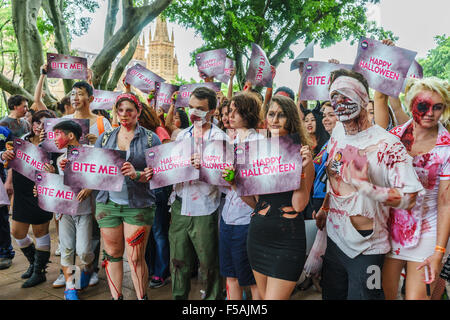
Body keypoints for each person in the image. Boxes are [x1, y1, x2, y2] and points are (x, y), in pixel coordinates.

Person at [314, 69, 424, 300]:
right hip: (335, 241)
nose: (339, 102)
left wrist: (367, 187)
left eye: (346, 95)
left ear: (364, 98)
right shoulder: (337, 133)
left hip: (367, 249)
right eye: (334, 96)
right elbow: (335, 177)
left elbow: (410, 198)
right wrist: (325, 208)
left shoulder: (388, 145)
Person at [382, 77, 449, 300]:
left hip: (428, 231)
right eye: (423, 106)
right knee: (385, 295)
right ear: (411, 104)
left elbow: (446, 202)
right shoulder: (394, 138)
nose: (430, 112)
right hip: (390, 228)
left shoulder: (447, 147)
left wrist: (439, 251)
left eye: (437, 107)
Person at [242, 95, 315, 300]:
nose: (274, 120)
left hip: (287, 241)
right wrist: (235, 183)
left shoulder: (302, 153)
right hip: (258, 237)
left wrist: (303, 168)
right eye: (271, 114)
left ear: (290, 119)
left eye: (281, 115)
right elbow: (255, 203)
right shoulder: (259, 153)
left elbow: (299, 205)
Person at [93, 92, 161, 300]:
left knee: (135, 258)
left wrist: (137, 174)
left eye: (129, 110)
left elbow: (159, 174)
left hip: (138, 205)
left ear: (138, 112)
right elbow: (91, 168)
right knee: (112, 255)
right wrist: (68, 166)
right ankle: (117, 297)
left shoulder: (151, 138)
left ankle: (142, 297)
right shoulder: (105, 138)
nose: (124, 115)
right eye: (120, 110)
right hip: (108, 204)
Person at [162, 86, 228, 300]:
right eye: (190, 107)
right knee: (178, 261)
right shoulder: (182, 135)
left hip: (206, 208)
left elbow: (228, 179)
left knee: (208, 263)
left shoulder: (221, 138)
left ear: (211, 112)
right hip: (180, 204)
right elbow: (170, 168)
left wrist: (205, 166)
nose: (193, 112)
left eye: (199, 109)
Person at [59, 81, 113, 287]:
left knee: (92, 233)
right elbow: (54, 150)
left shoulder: (102, 123)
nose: (75, 98)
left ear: (90, 99)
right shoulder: (63, 121)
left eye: (80, 93)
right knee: (67, 236)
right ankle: (68, 277)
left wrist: (98, 139)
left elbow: (110, 154)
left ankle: (90, 269)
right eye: (72, 94)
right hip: (69, 187)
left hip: (94, 187)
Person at [34, 120, 95, 300]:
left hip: (84, 210)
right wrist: (47, 180)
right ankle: (71, 287)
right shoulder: (60, 159)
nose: (54, 138)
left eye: (57, 134)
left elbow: (102, 175)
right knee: (67, 249)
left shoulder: (90, 154)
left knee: (84, 251)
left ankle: (88, 270)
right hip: (64, 211)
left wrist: (89, 188)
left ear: (70, 136)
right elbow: (58, 186)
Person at [0, 110, 57, 288]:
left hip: (39, 192)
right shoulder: (22, 140)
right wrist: (5, 156)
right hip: (22, 191)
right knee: (17, 232)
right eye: (38, 123)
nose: (40, 127)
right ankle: (34, 263)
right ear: (32, 124)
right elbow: (9, 163)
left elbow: (58, 170)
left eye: (45, 124)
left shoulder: (54, 145)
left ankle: (39, 271)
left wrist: (51, 171)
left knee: (40, 232)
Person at [220, 92, 263, 300]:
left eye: (236, 110)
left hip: (247, 218)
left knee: (252, 279)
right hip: (228, 215)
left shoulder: (258, 142)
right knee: (231, 276)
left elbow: (256, 187)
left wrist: (234, 182)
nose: (231, 114)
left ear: (248, 112)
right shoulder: (232, 140)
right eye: (230, 110)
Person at [298, 101, 338, 291]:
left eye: (332, 114)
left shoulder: (338, 142)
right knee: (314, 242)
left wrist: (324, 206)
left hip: (328, 200)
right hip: (316, 197)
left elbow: (335, 179)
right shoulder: (329, 143)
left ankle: (323, 281)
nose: (327, 118)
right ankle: (313, 277)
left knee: (327, 248)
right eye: (326, 115)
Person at [0, 125, 13, 270]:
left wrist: (9, 180)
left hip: (1, 176)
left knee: (2, 217)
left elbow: (10, 154)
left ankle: (5, 252)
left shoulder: (4, 131)